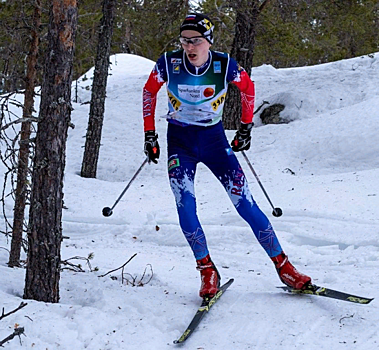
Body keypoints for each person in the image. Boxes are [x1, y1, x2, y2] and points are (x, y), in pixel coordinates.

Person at [142, 13, 311, 300]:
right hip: (180, 143)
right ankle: (206, 268)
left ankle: (283, 266)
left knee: (244, 203)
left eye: (195, 41)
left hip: (214, 140)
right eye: (184, 41)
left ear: (208, 42)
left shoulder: (224, 65)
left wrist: (246, 127)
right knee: (185, 205)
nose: (189, 47)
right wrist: (150, 134)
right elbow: (149, 91)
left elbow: (248, 88)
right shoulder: (168, 63)